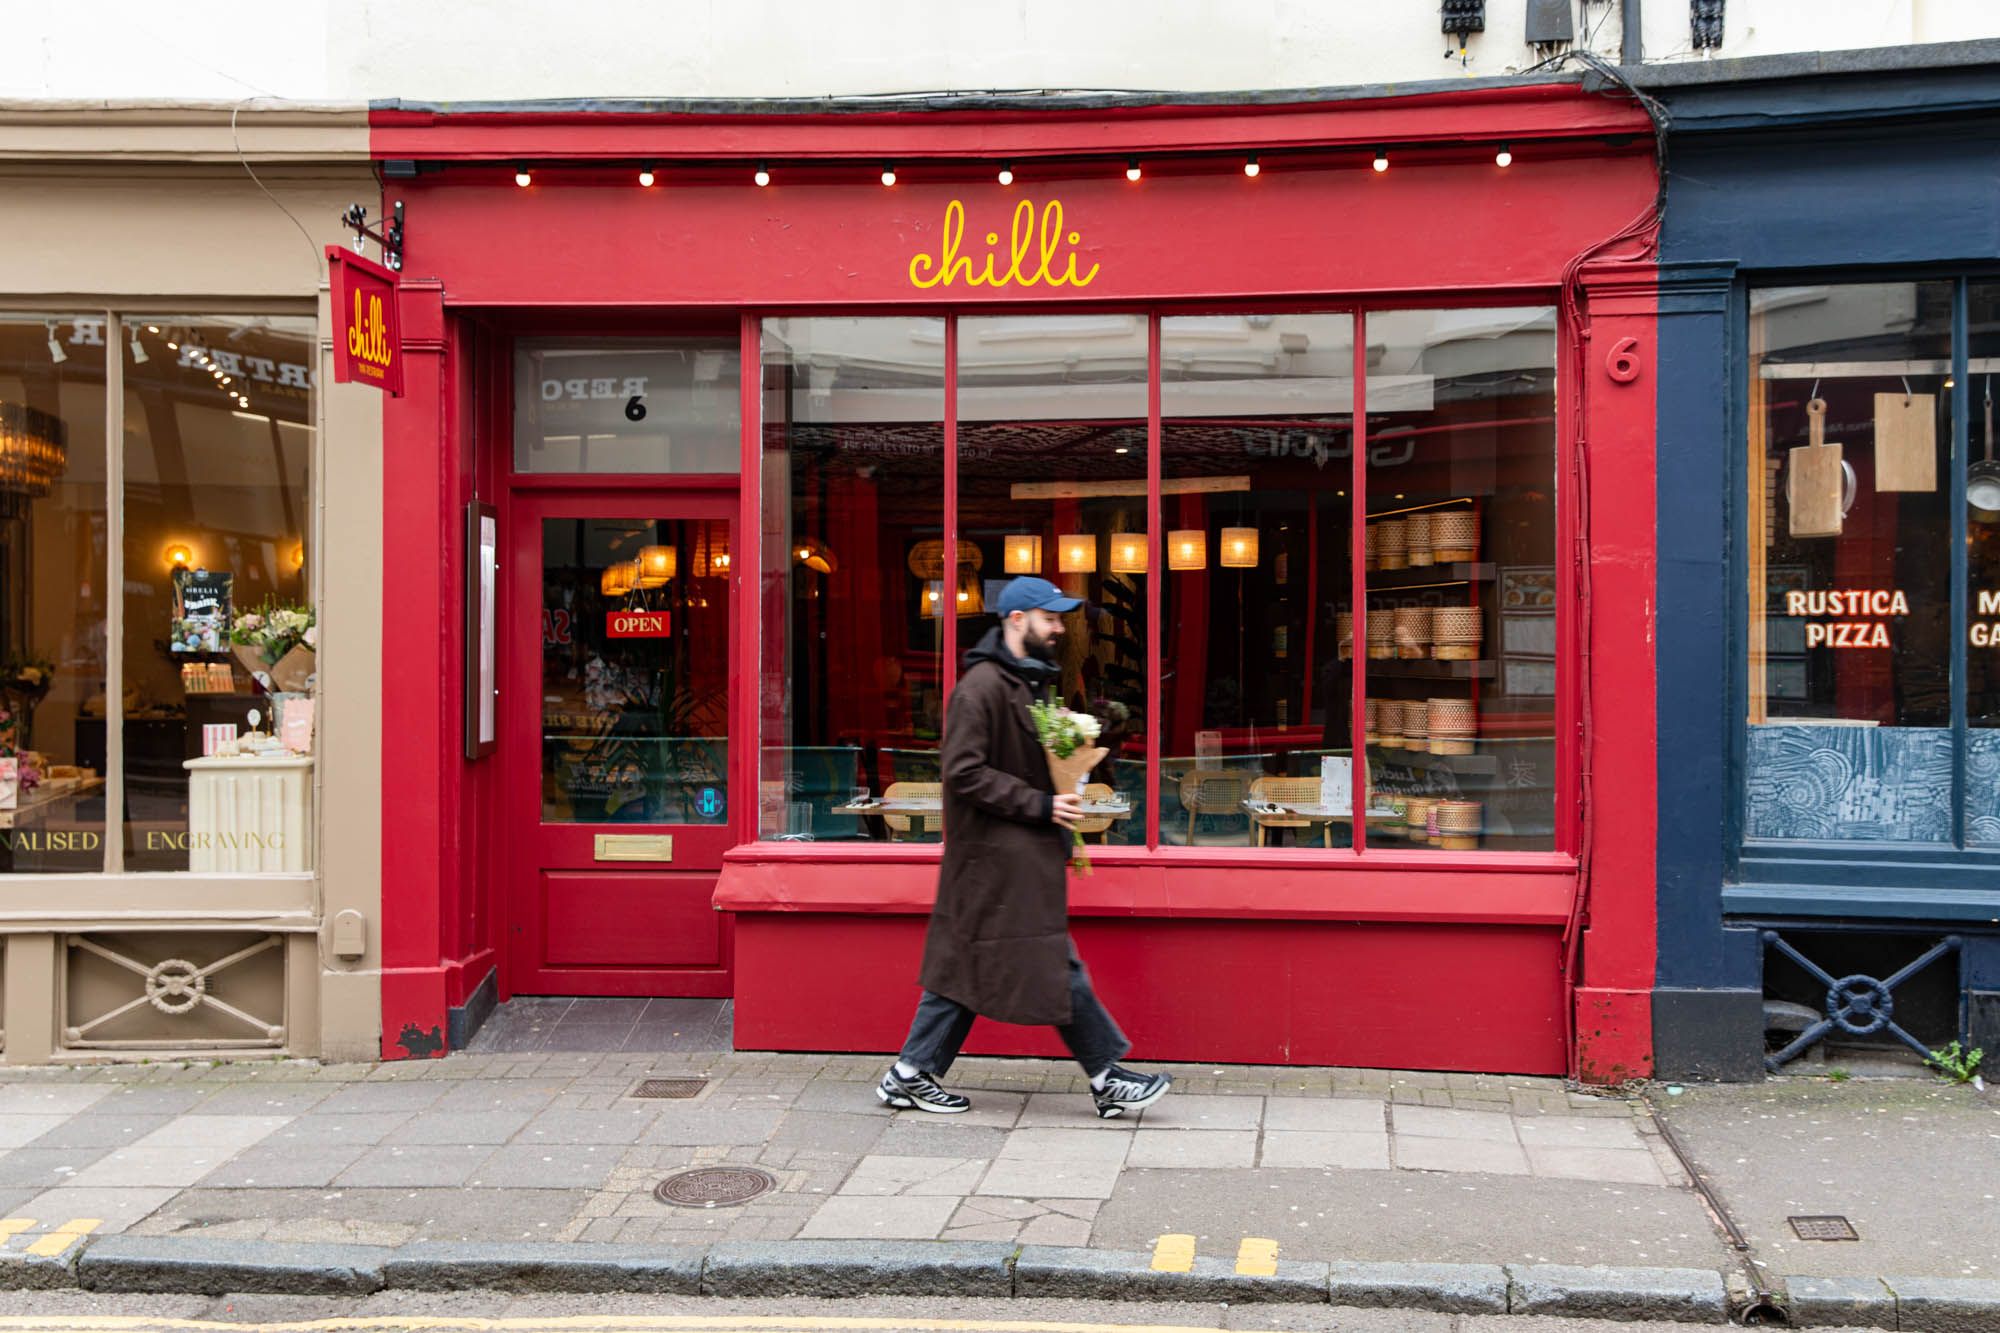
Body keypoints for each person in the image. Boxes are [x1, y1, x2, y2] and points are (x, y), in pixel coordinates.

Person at [878, 576, 1172, 1119]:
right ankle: (1107, 1078)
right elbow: (962, 773)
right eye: (1051, 618)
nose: (1060, 628)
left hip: (1012, 856)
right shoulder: (981, 687)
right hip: (996, 858)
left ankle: (909, 1074)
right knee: (1049, 962)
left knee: (969, 967)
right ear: (1018, 620)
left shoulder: (1028, 682)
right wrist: (1040, 804)